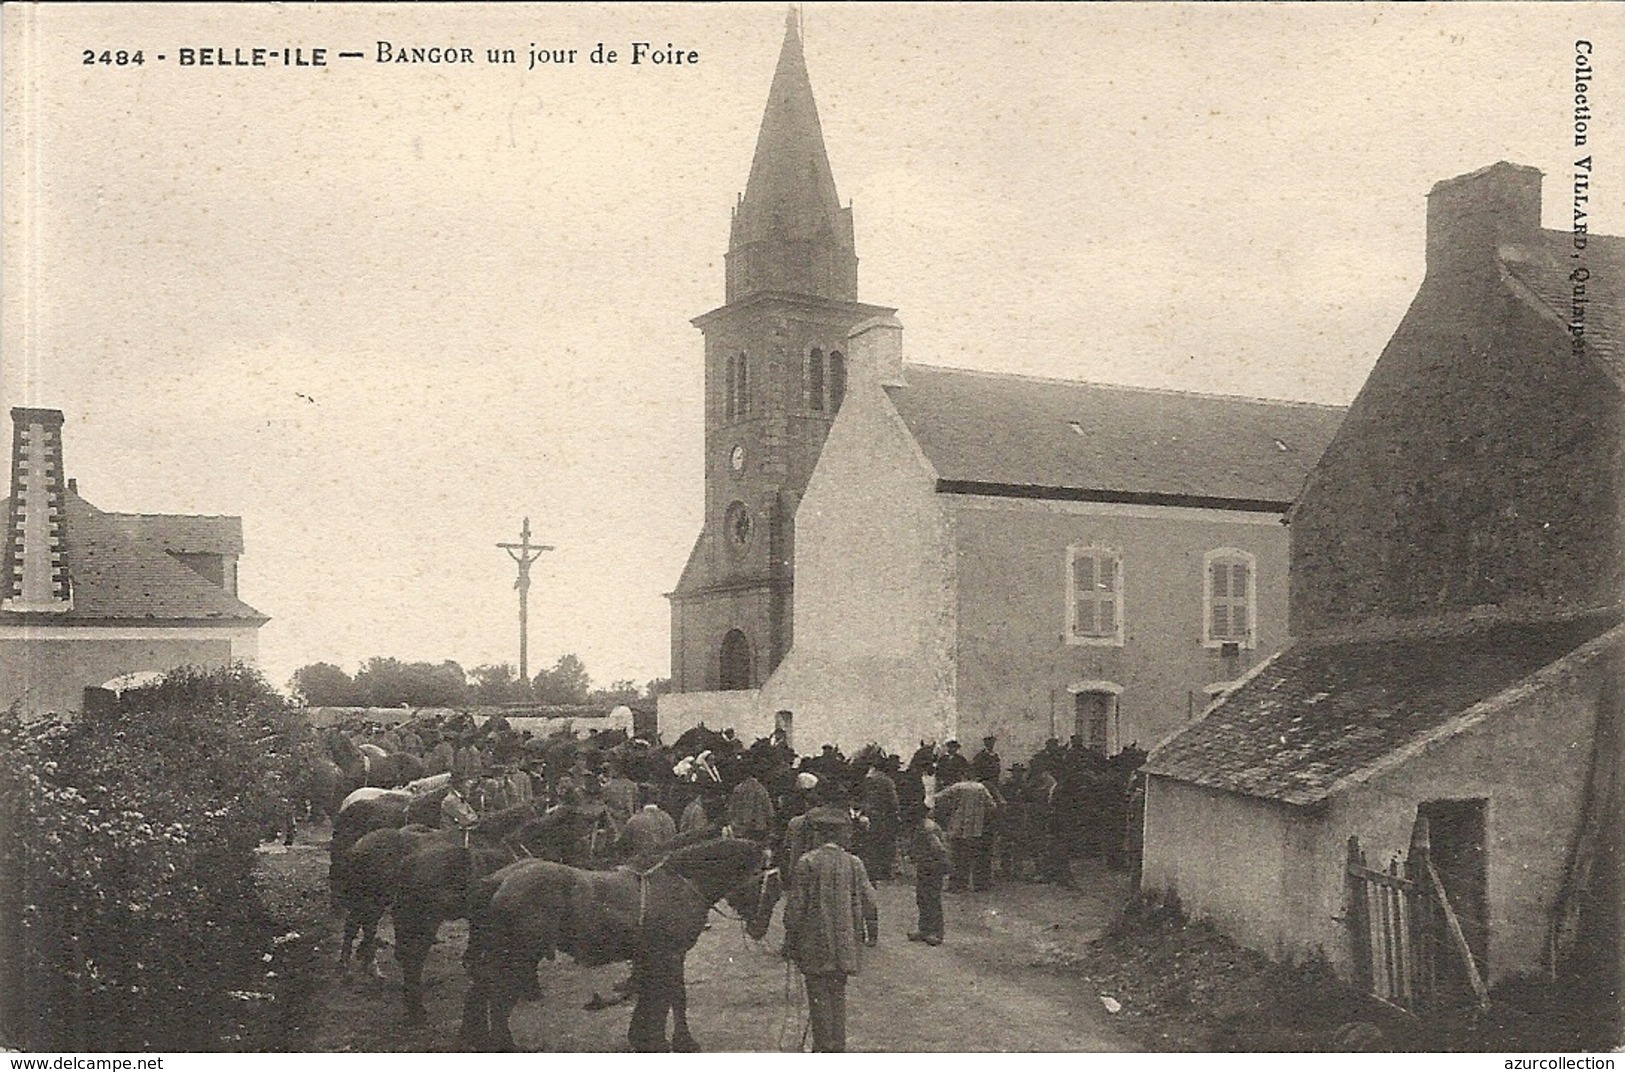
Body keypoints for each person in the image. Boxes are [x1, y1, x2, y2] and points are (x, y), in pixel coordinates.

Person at [783, 813, 879, 1052]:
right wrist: (869, 932)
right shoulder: (854, 863)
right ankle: (837, 1048)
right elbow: (871, 903)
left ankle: (823, 1050)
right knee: (837, 995)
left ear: (818, 835)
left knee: (818, 998)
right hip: (845, 945)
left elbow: (795, 910)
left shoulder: (807, 862)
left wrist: (791, 934)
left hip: (815, 944)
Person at [934, 776, 998, 892]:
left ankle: (957, 884)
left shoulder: (957, 786)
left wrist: (951, 806)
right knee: (971, 855)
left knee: (957, 855)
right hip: (975, 826)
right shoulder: (981, 788)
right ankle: (975, 883)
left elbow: (938, 797)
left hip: (958, 824)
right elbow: (992, 805)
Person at [907, 803, 950, 945]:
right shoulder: (922, 827)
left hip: (932, 867)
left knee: (932, 899)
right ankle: (924, 929)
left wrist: (942, 864)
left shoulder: (927, 829)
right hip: (925, 866)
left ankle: (936, 932)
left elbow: (938, 848)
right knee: (922, 898)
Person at [620, 788, 676, 857]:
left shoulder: (634, 821)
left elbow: (623, 848)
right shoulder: (668, 819)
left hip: (641, 863)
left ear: (639, 800)